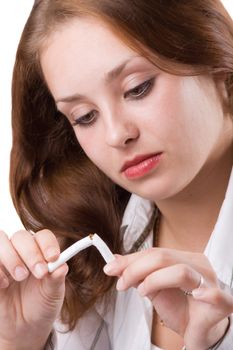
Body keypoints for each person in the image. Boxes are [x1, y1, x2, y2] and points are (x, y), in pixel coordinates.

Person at [1, 0, 233, 348]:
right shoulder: (87, 264)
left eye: (137, 88)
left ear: (213, 55)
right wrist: (18, 340)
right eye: (84, 116)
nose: (115, 134)